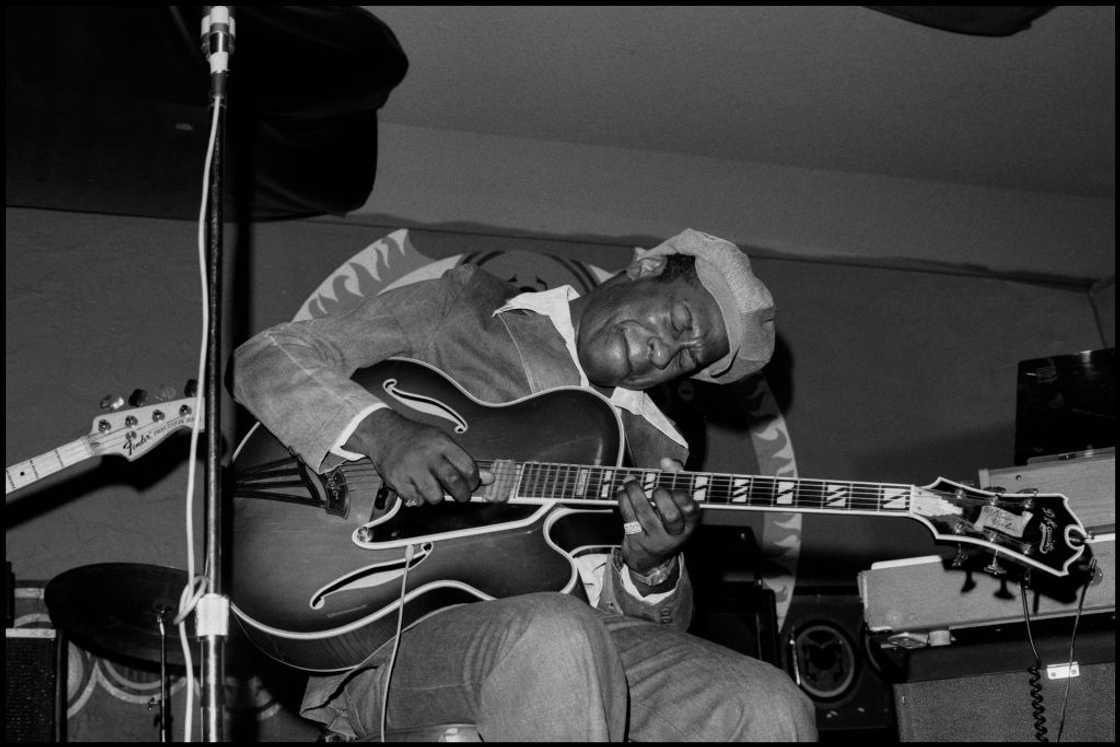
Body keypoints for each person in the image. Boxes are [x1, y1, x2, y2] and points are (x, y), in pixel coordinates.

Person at [231, 228, 817, 741]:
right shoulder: (465, 304)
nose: (666, 352)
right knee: (558, 633)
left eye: (688, 358)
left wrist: (651, 570)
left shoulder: (659, 450)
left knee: (769, 706)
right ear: (646, 270)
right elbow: (269, 357)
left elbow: (633, 623)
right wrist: (384, 434)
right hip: (399, 633)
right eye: (679, 322)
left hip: (580, 638)